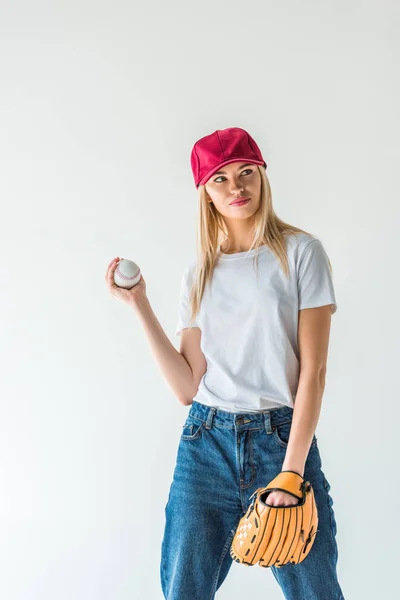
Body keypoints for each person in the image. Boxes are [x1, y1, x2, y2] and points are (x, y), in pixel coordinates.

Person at [104, 127, 345, 599]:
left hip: (282, 439)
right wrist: (140, 305)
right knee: (183, 592)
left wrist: (291, 473)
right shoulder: (199, 272)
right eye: (220, 179)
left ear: (262, 176)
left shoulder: (301, 253)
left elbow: (312, 374)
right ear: (205, 193)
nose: (236, 188)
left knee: (317, 591)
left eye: (246, 173)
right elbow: (186, 387)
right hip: (205, 444)